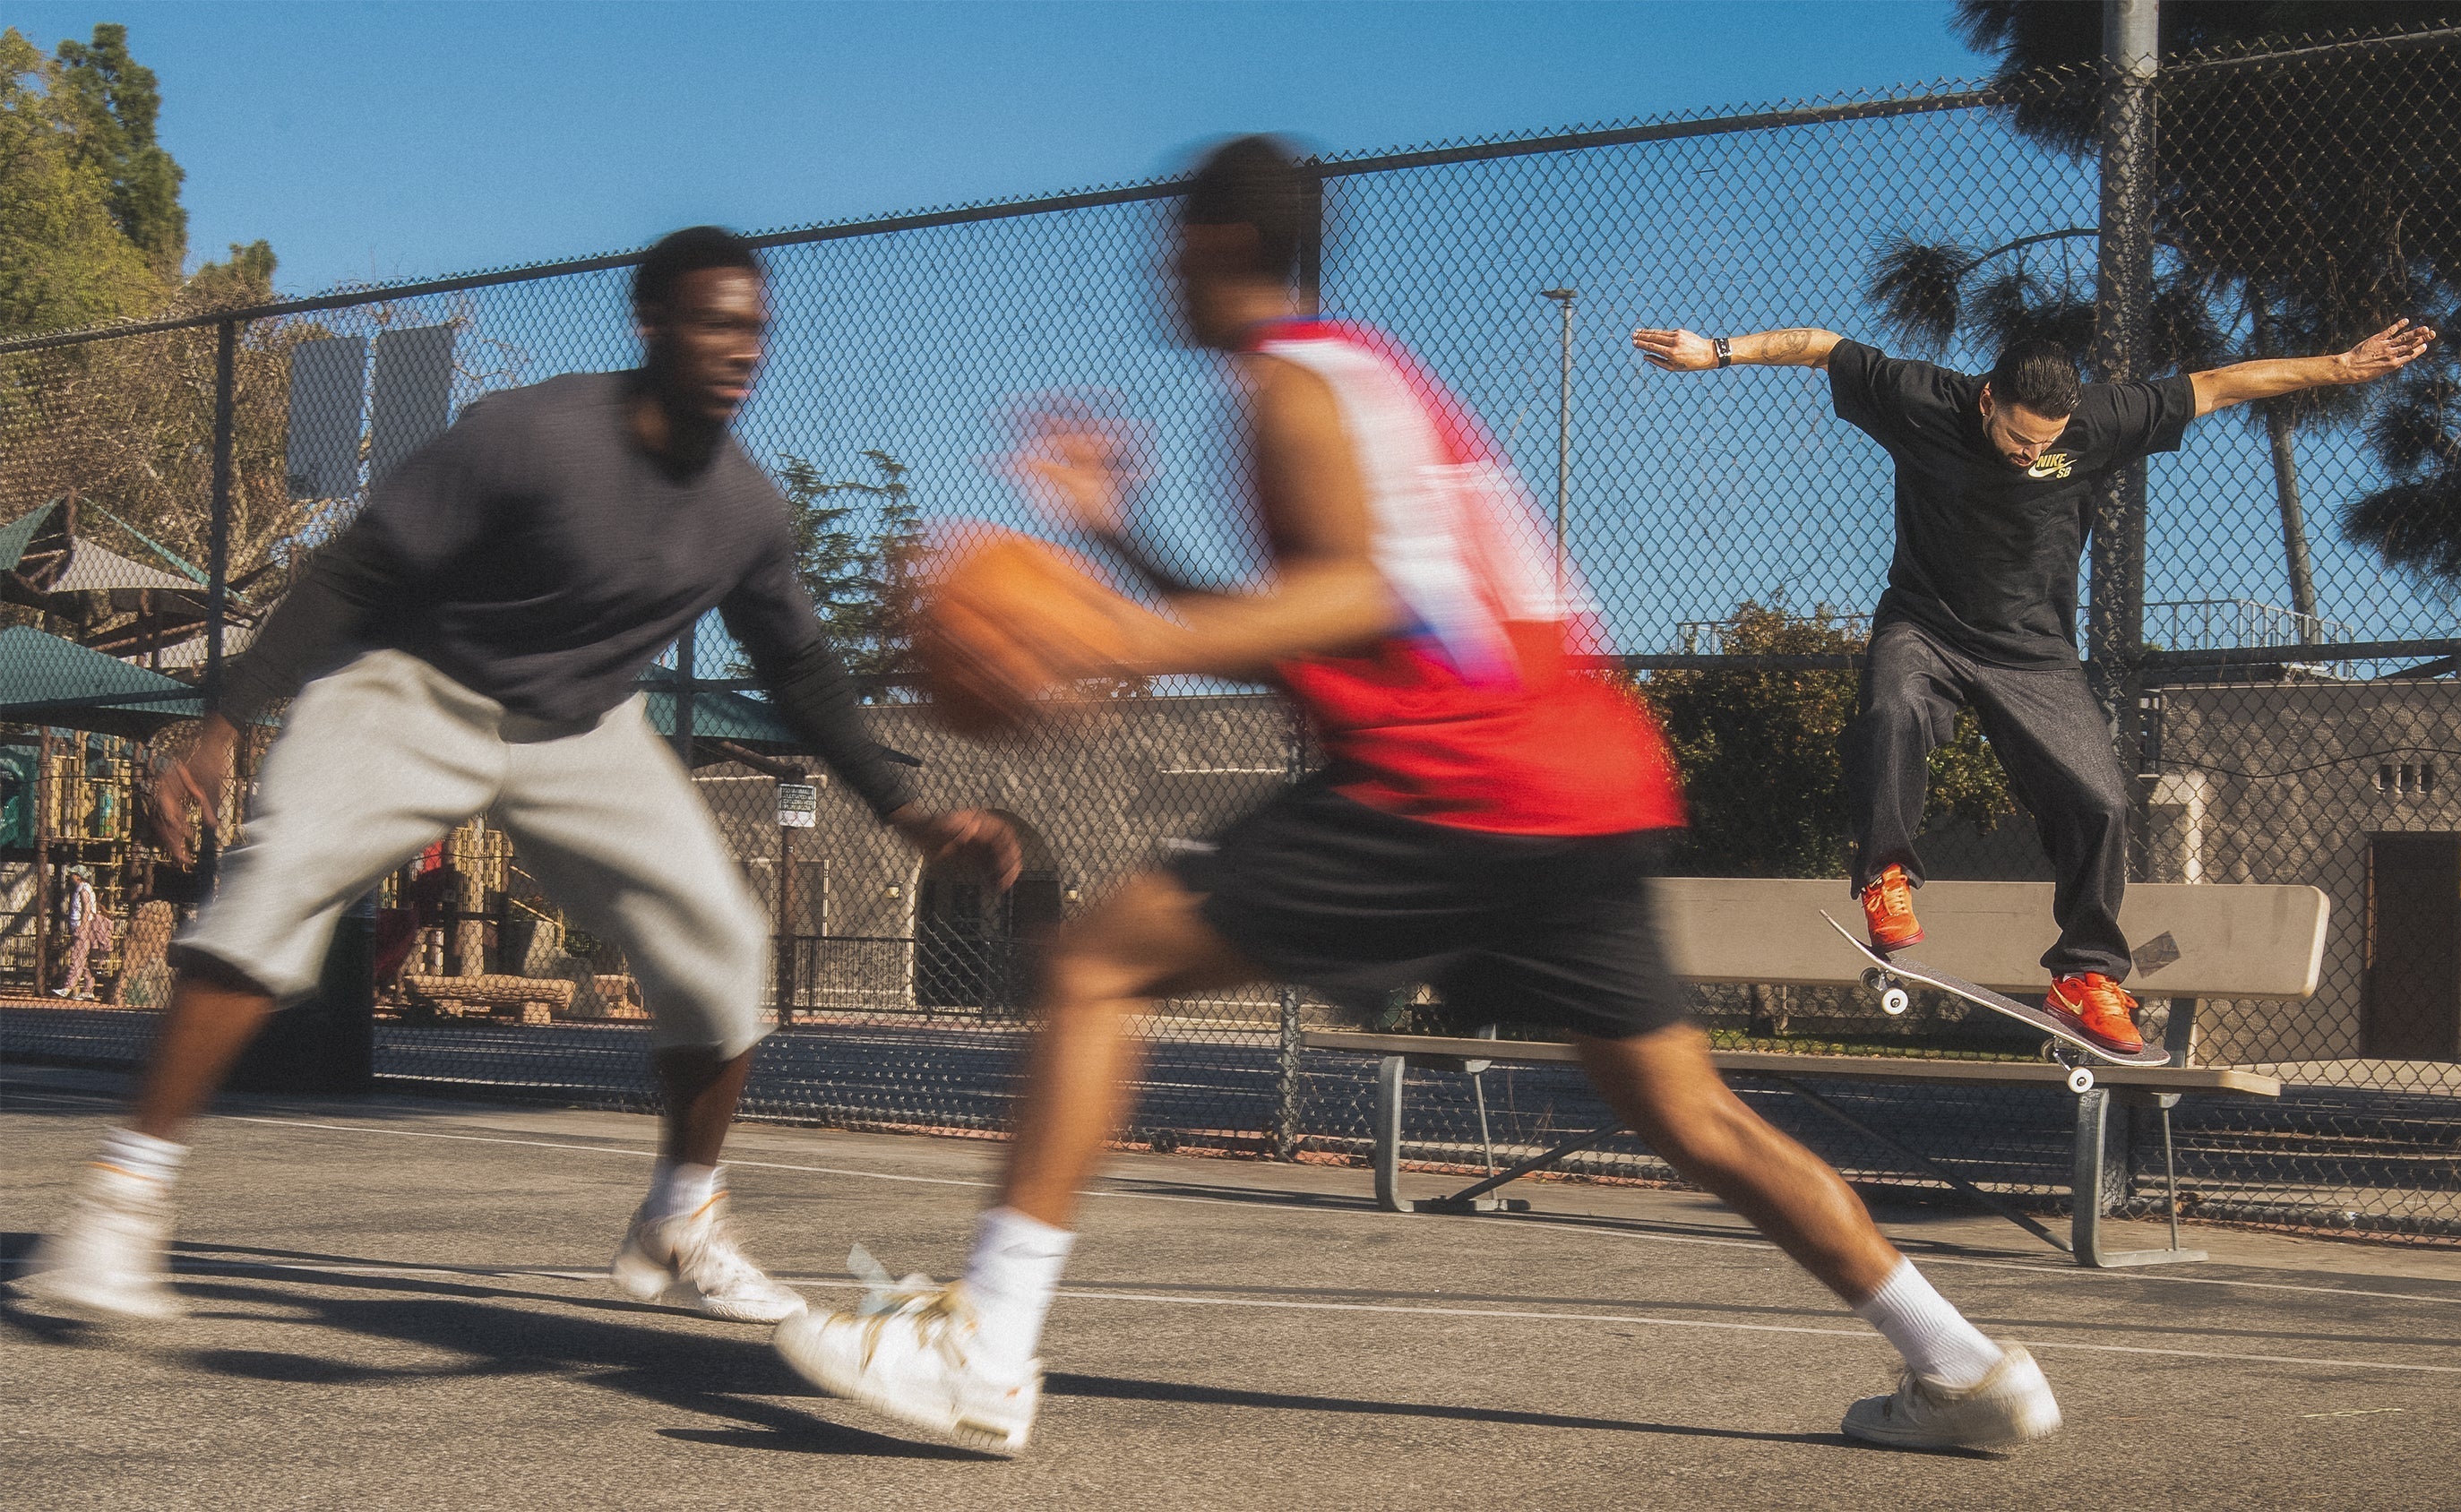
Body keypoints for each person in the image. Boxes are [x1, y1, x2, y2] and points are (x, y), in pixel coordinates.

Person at [771, 136, 2059, 1456]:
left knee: (1095, 964)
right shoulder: (1366, 378)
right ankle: (1964, 1368)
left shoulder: (1290, 386)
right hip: (1584, 780)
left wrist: (1113, 635)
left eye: (1173, 239)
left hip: (1457, 776)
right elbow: (1317, 619)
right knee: (1692, 1115)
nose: (1159, 264)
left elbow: (1358, 591)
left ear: (1222, 245)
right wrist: (1119, 540)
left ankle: (984, 1347)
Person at [15, 227, 1019, 1327]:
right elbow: (353, 568)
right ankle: (117, 1209)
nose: (741, 349)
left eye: (756, 330)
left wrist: (907, 808)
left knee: (725, 944)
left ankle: (683, 1216)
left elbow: (801, 668)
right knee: (273, 884)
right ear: (653, 326)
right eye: (716, 322)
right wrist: (221, 720)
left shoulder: (744, 509)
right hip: (412, 689)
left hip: (582, 729)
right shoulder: (532, 435)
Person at [1630, 315, 2433, 1054]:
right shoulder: (1920, 399)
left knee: (2102, 802)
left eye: (2041, 443)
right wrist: (1719, 352)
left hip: (2034, 653)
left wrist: (2344, 365)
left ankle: (2085, 975)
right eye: (2016, 436)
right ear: (1986, 399)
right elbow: (1821, 344)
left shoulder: (2099, 422)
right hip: (1925, 627)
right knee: (1892, 708)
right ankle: (1886, 874)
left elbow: (2220, 383)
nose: (2026, 453)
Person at [54, 864, 115, 1001]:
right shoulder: (81, 888)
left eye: (73, 875)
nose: (70, 877)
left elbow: (87, 908)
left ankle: (67, 987)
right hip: (80, 927)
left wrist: (83, 926)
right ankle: (88, 989)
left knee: (77, 957)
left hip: (82, 928)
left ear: (79, 877)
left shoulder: (83, 889)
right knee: (84, 960)